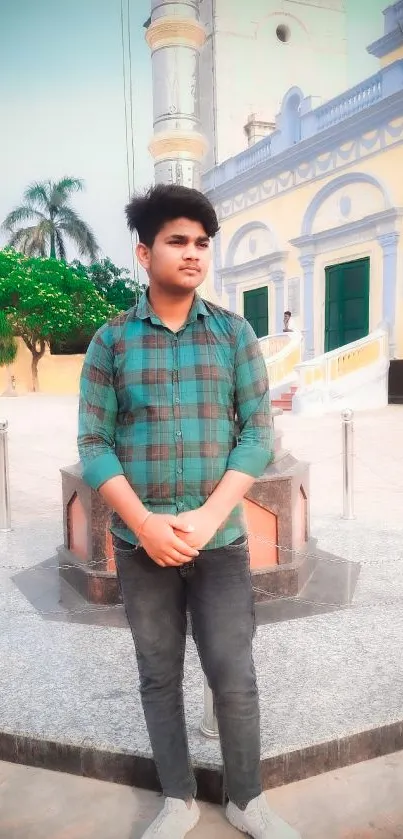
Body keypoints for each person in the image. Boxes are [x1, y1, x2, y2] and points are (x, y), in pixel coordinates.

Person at [78, 184, 301, 839]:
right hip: (140, 543)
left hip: (221, 540)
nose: (193, 253)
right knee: (157, 675)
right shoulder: (111, 341)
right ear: (144, 252)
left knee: (233, 674)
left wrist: (206, 517)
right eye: (177, 240)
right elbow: (93, 443)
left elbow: (257, 433)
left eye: (202, 242)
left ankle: (246, 797)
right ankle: (176, 798)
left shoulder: (232, 333)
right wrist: (145, 524)